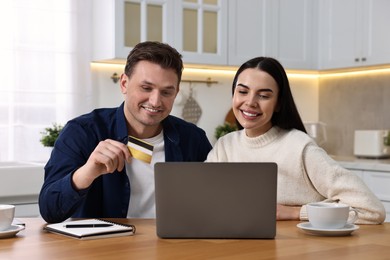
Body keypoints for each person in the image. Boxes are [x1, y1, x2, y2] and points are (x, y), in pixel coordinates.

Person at [39, 41, 212, 223]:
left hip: (171, 247)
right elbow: (49, 210)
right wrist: (87, 172)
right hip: (104, 248)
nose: (155, 101)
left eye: (166, 92)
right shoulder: (82, 132)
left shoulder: (193, 139)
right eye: (146, 88)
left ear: (176, 92)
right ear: (124, 84)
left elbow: (214, 202)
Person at [206, 57, 385, 224]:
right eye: (243, 91)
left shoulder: (299, 147)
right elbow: (203, 200)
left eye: (264, 95)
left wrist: (296, 213)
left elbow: (371, 209)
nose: (250, 102)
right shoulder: (225, 146)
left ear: (278, 104)